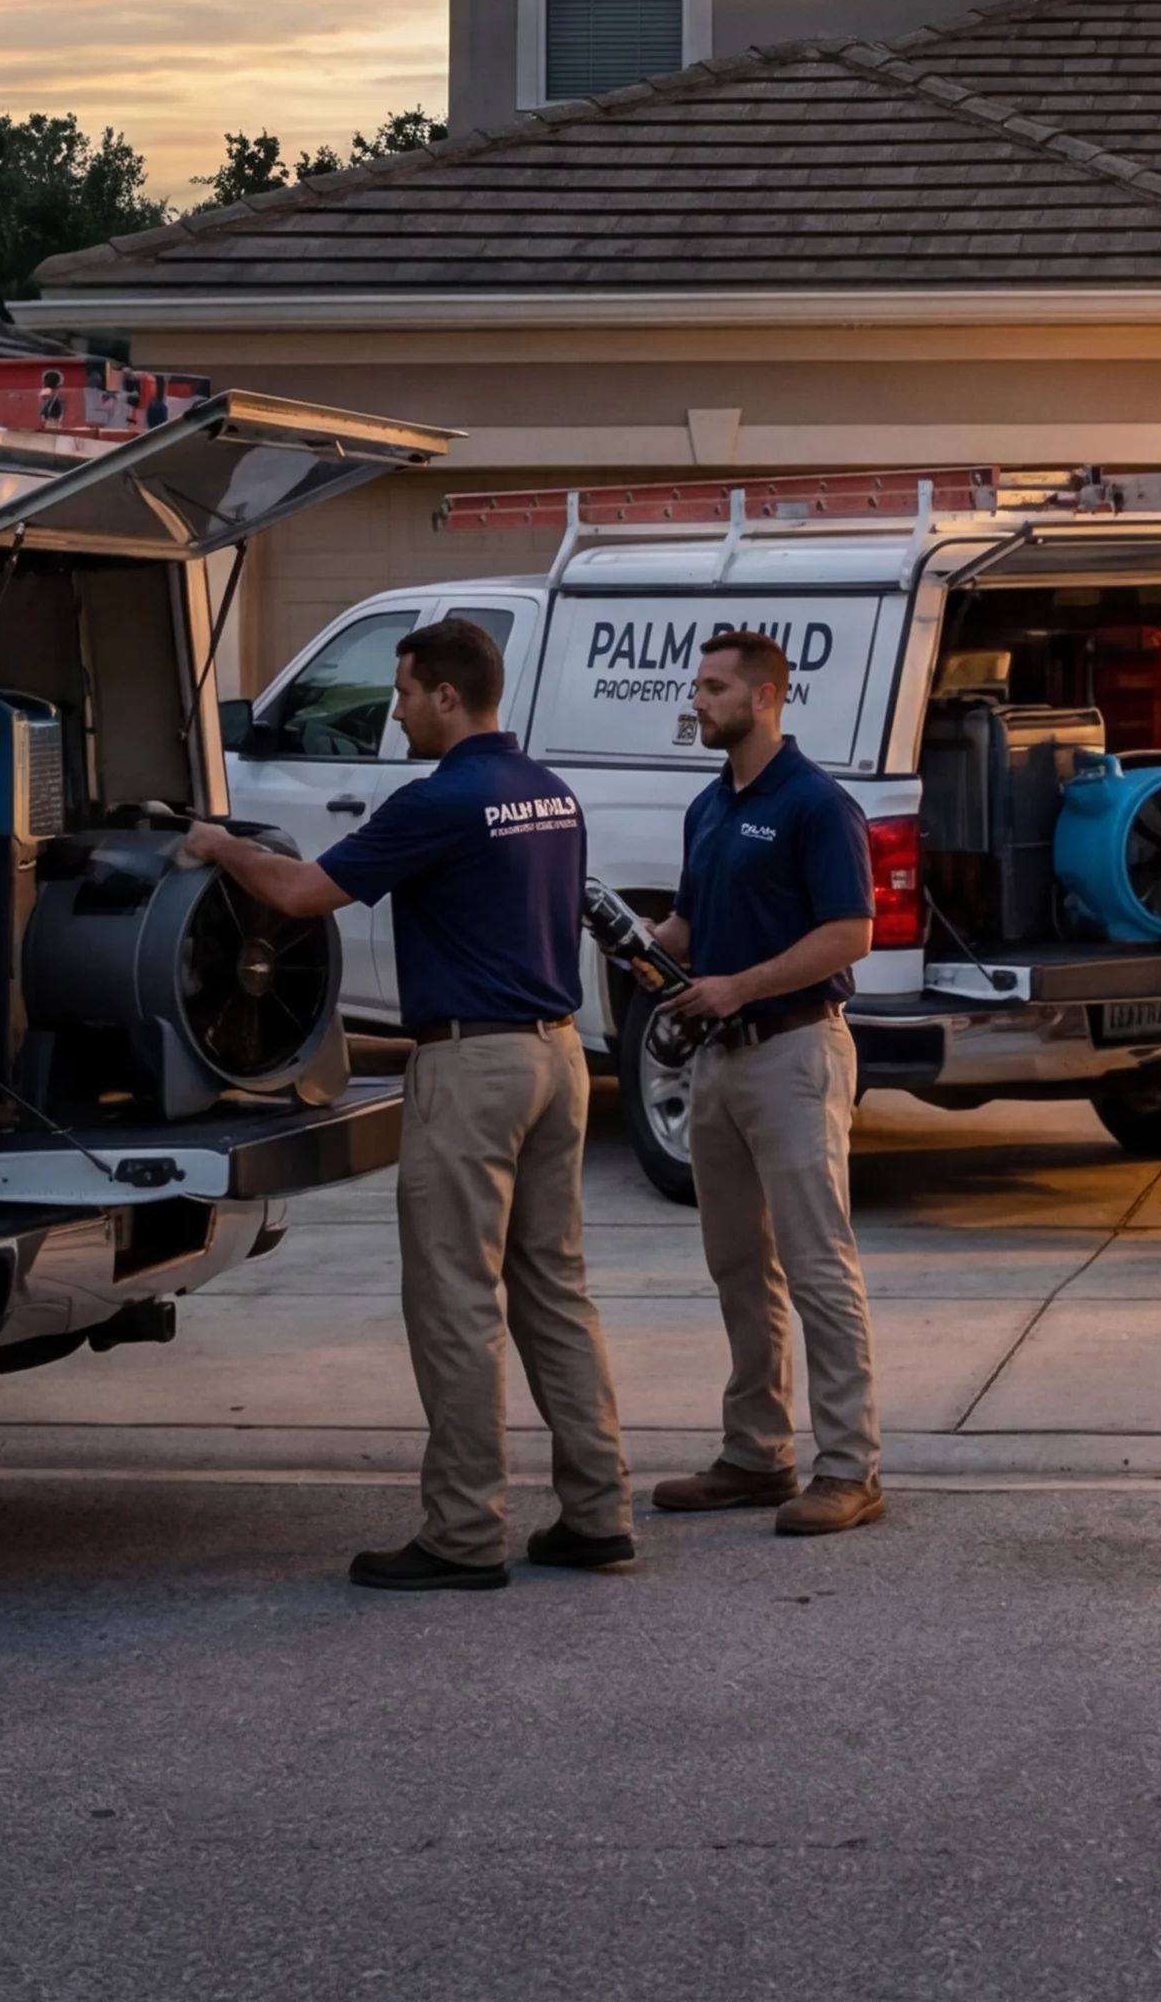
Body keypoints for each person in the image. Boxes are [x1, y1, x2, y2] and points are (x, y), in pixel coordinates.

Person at [175, 617, 629, 1592]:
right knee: (553, 1290)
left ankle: (464, 1534)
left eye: (404, 690)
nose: (394, 708)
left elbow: (299, 894)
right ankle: (598, 1513)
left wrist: (218, 846)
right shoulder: (548, 794)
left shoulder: (442, 800)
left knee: (455, 1301)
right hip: (559, 1062)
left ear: (448, 697)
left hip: (473, 1072)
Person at [642, 629, 890, 1539]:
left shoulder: (817, 806)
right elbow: (690, 922)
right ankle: (755, 1453)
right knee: (739, 1264)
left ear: (766, 697)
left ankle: (849, 1468)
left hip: (794, 1052)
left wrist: (739, 985)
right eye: (697, 686)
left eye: (713, 688)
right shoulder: (709, 806)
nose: (698, 700)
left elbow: (850, 933)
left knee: (818, 1264)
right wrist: (642, 945)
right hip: (719, 1060)